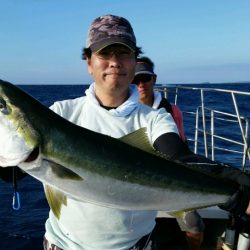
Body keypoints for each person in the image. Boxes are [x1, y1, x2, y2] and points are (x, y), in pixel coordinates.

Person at [1, 14, 250, 250]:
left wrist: (230, 181)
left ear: (134, 60)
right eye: (104, 53)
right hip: (61, 245)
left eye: (124, 53)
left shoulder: (154, 119)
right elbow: (12, 169)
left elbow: (179, 157)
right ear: (89, 62)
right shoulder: (62, 114)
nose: (115, 62)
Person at [133, 57, 204, 250]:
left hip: (166, 180)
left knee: (195, 224)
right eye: (134, 80)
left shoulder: (172, 111)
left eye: (145, 79)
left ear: (153, 79)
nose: (140, 85)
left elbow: (180, 149)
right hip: (133, 179)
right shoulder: (124, 111)